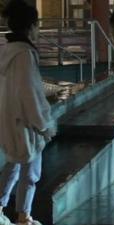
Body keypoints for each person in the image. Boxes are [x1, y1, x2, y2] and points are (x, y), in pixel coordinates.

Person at [0, 1, 57, 225]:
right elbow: (30, 93)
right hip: (25, 123)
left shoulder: (6, 51)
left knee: (13, 164)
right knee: (31, 172)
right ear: (32, 25)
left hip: (8, 119)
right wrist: (43, 125)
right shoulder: (25, 54)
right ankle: (23, 216)